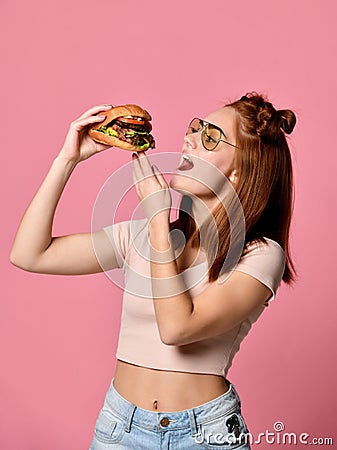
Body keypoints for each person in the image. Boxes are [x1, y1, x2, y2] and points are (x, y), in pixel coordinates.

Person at [10, 92, 296, 449]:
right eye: (195, 128)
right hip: (120, 429)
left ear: (240, 171)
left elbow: (177, 328)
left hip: (206, 434)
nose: (188, 139)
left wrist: (159, 221)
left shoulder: (261, 255)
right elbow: (29, 254)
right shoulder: (140, 236)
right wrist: (67, 160)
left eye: (209, 137)